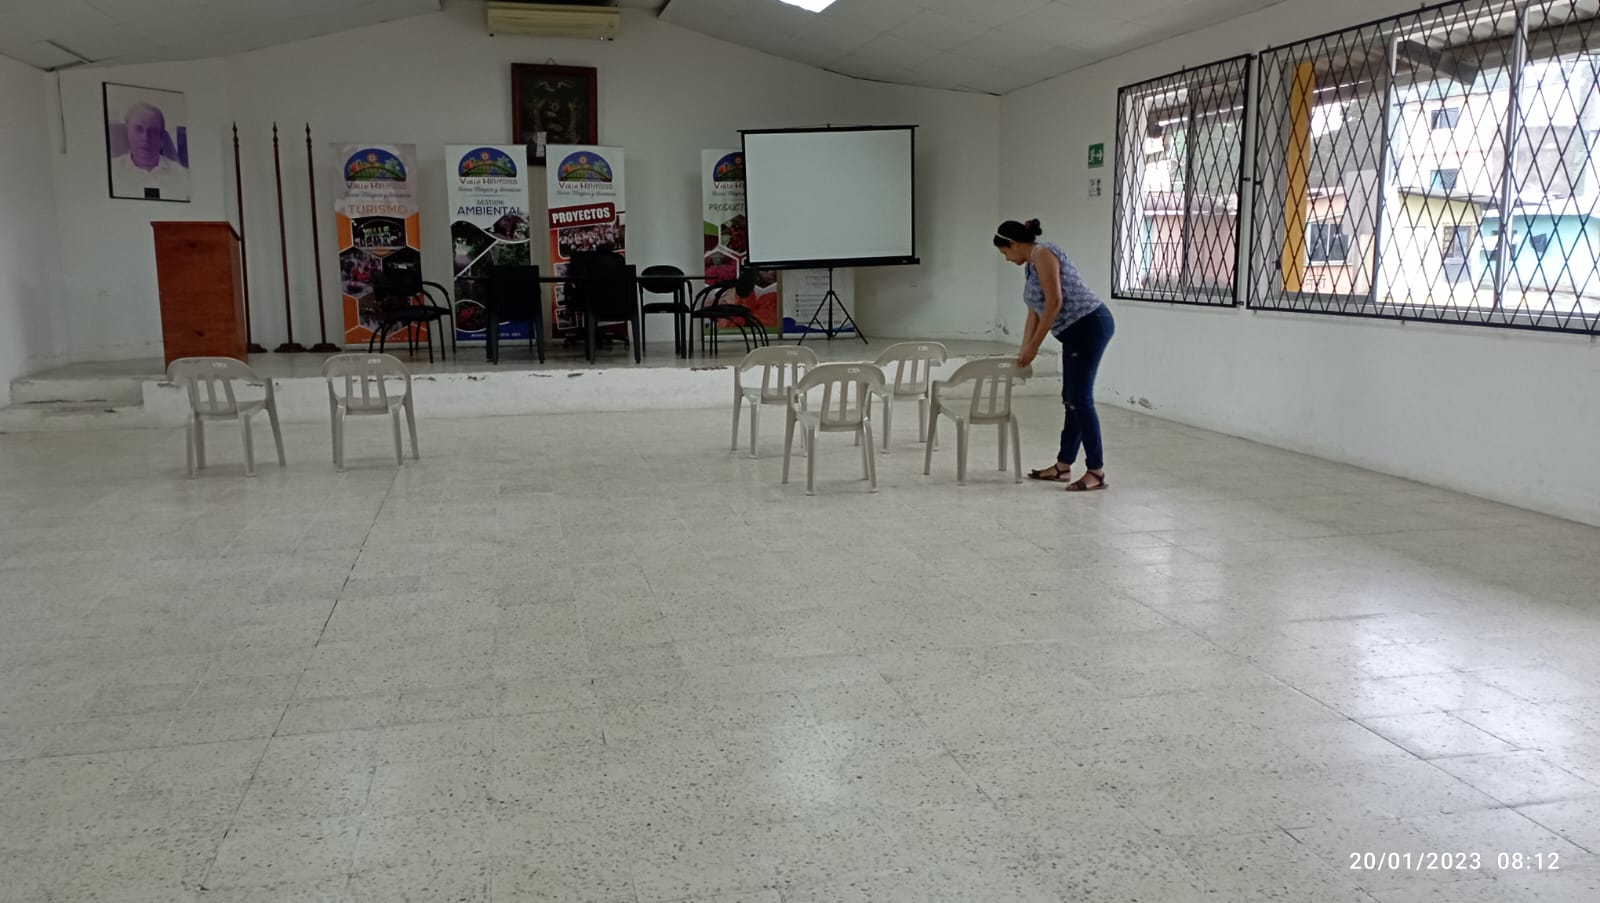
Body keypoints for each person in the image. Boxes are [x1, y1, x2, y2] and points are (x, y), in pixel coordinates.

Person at [995, 218, 1115, 492]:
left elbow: (1055, 301)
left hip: (1090, 325)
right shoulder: (1030, 266)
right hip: (1074, 332)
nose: (1006, 259)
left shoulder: (1044, 253)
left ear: (1014, 244)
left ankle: (1096, 471)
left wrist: (1035, 346)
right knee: (1071, 399)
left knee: (1080, 399)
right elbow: (1034, 312)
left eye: (1005, 252)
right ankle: (1063, 466)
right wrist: (1025, 347)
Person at [111, 102, 189, 201]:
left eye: (153, 131)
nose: (145, 138)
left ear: (161, 138)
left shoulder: (183, 175)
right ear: (128, 133)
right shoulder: (112, 171)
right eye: (138, 129)